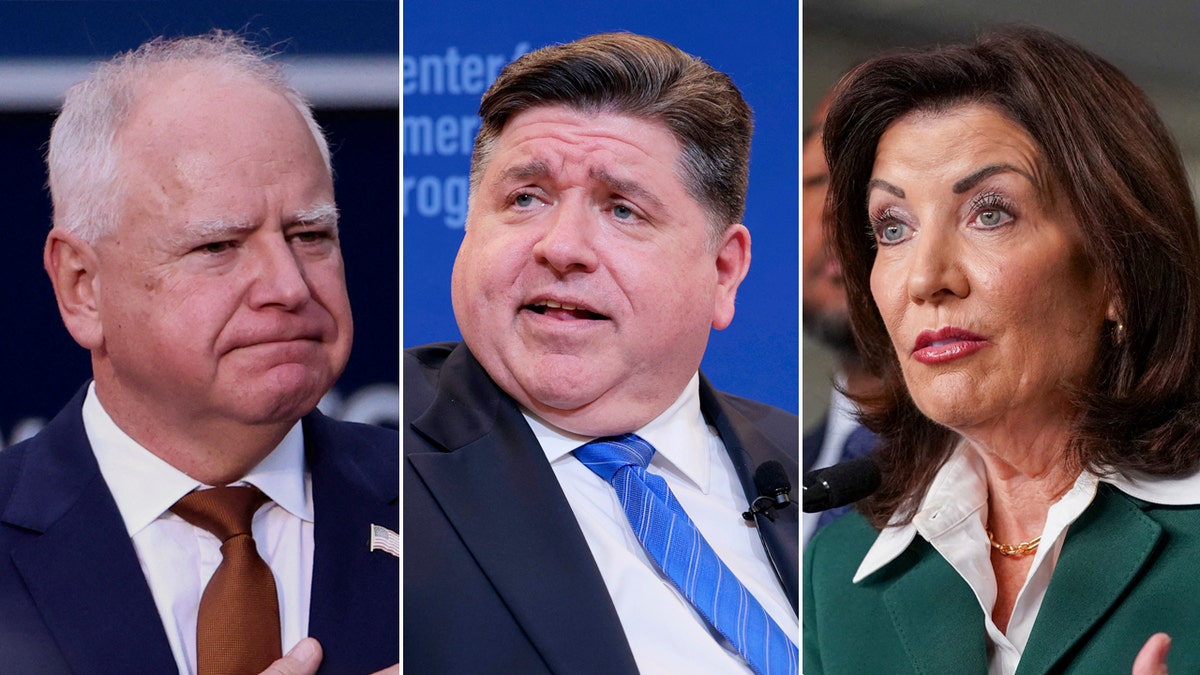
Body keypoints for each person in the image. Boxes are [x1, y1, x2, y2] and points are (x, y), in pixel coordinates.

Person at [803, 25, 1200, 675]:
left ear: (1117, 270)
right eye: (892, 227)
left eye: (990, 212)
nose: (927, 277)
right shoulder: (842, 571)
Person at [0, 32, 398, 674]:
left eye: (311, 234)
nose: (289, 287)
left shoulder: (461, 514)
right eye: (219, 247)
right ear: (83, 287)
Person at [405, 32, 799, 674]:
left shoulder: (819, 480)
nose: (561, 248)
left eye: (622, 210)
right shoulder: (372, 458)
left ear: (723, 272)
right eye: (525, 198)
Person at [801, 93, 882, 542]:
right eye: (818, 181)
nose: (837, 210)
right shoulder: (766, 475)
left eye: (871, 179)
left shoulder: (1009, 481)